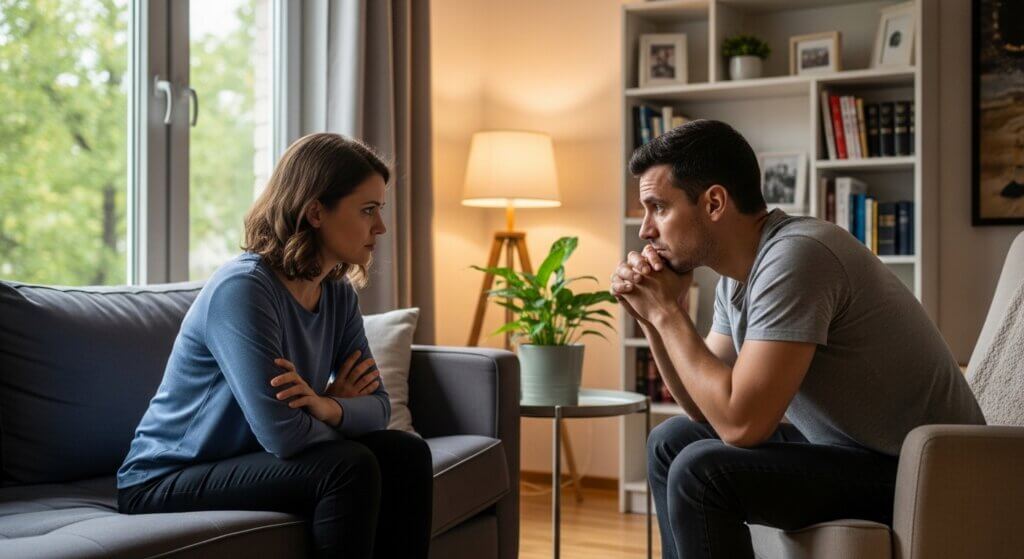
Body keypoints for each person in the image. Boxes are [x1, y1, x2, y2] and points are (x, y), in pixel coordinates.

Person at [609, 119, 984, 559]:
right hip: (850, 453)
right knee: (670, 441)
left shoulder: (796, 257)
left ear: (714, 202)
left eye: (658, 207)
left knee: (703, 471)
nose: (645, 231)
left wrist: (667, 313)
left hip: (926, 472)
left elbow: (741, 425)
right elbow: (700, 407)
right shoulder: (739, 275)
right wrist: (652, 318)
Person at [117, 133, 433, 559]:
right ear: (316, 211)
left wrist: (327, 407)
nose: (381, 227)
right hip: (165, 477)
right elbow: (283, 434)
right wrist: (335, 412)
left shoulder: (337, 294)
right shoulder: (244, 290)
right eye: (368, 210)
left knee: (406, 452)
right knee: (348, 467)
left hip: (247, 461)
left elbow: (379, 408)